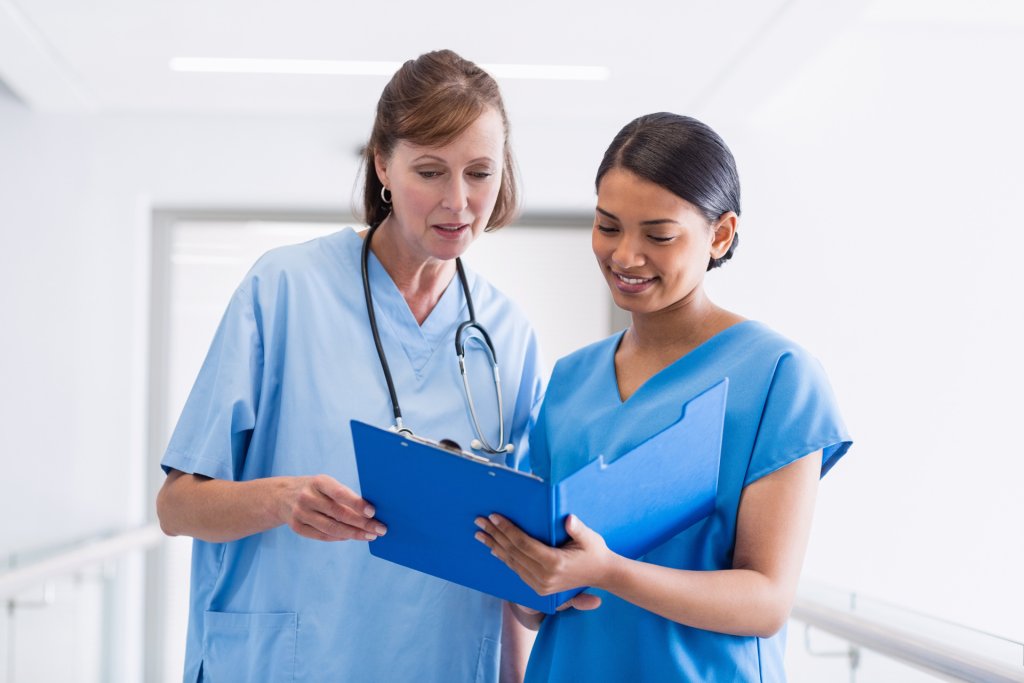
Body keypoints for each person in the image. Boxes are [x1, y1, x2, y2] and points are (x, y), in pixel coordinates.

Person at [156, 49, 543, 683]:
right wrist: (282, 500)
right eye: (430, 171)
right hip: (290, 661)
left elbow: (508, 561)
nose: (459, 201)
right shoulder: (283, 290)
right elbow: (176, 508)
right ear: (382, 165)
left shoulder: (506, 336)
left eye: (480, 172)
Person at [474, 112, 852, 681]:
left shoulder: (778, 375)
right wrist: (529, 579)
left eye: (659, 235)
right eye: (608, 226)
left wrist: (608, 572)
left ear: (720, 235)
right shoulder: (571, 380)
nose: (625, 256)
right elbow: (533, 601)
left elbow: (766, 601)